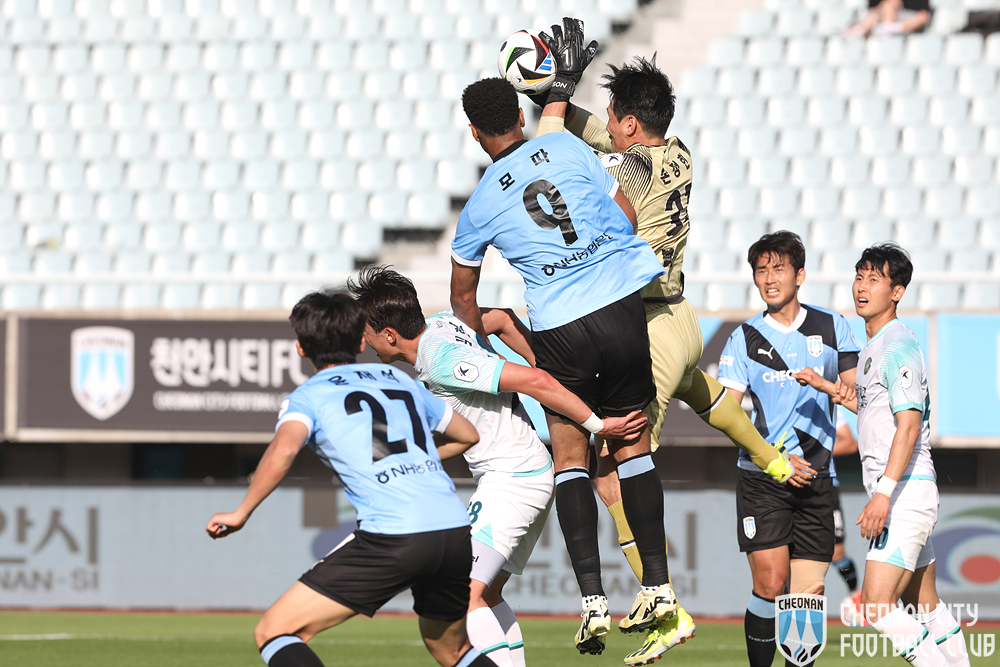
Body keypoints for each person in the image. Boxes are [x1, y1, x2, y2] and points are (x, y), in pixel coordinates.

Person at [529, 45, 803, 663]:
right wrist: (550, 95)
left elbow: (582, 191)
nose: (606, 123)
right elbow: (598, 134)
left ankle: (666, 604)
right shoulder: (675, 151)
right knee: (702, 392)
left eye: (612, 115)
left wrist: (555, 109)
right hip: (681, 315)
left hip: (647, 325)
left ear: (630, 122)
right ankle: (773, 460)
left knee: (616, 461)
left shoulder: (628, 169)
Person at [451, 39, 675, 663]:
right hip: (621, 305)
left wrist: (480, 343)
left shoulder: (478, 206)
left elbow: (463, 297)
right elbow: (623, 214)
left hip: (560, 325)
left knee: (572, 456)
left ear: (475, 132)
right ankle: (658, 588)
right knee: (633, 448)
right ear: (518, 116)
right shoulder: (572, 147)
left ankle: (593, 600)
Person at [348, 265, 646, 667]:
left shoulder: (441, 360)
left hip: (512, 479)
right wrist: (540, 356)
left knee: (461, 595)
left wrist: (597, 424)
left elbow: (536, 382)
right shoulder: (445, 323)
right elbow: (503, 319)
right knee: (486, 596)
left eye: (366, 333)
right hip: (527, 473)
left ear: (388, 334)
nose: (364, 342)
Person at [205, 290, 498, 667]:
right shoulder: (399, 379)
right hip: (454, 530)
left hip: (396, 535)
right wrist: (420, 460)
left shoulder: (308, 396)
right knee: (453, 651)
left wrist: (241, 512)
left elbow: (283, 451)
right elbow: (467, 435)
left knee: (274, 631)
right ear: (361, 341)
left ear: (301, 348)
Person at [795, 243, 970, 667]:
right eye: (859, 277)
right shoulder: (874, 347)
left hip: (903, 494)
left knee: (875, 604)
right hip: (906, 492)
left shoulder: (896, 346)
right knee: (924, 604)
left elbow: (908, 426)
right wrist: (829, 387)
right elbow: (874, 408)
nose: (862, 286)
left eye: (874, 279)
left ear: (897, 292)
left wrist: (883, 495)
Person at [715, 231, 859, 667]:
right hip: (763, 479)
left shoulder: (832, 326)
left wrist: (825, 385)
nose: (769, 278)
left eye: (778, 269)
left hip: (817, 480)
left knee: (809, 592)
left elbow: (858, 397)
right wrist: (774, 460)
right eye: (761, 270)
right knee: (772, 582)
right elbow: (727, 415)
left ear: (800, 275)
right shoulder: (744, 337)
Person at [831, 412, 863, 624]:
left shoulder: (826, 401)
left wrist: (812, 452)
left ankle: (855, 597)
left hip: (824, 487)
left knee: (837, 554)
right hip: (782, 486)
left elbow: (850, 443)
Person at [846, 0, 931, 36]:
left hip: (906, 19)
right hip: (879, 16)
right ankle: (887, 28)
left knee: (923, 17)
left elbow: (924, 14)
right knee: (887, 6)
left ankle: (888, 29)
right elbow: (872, 8)